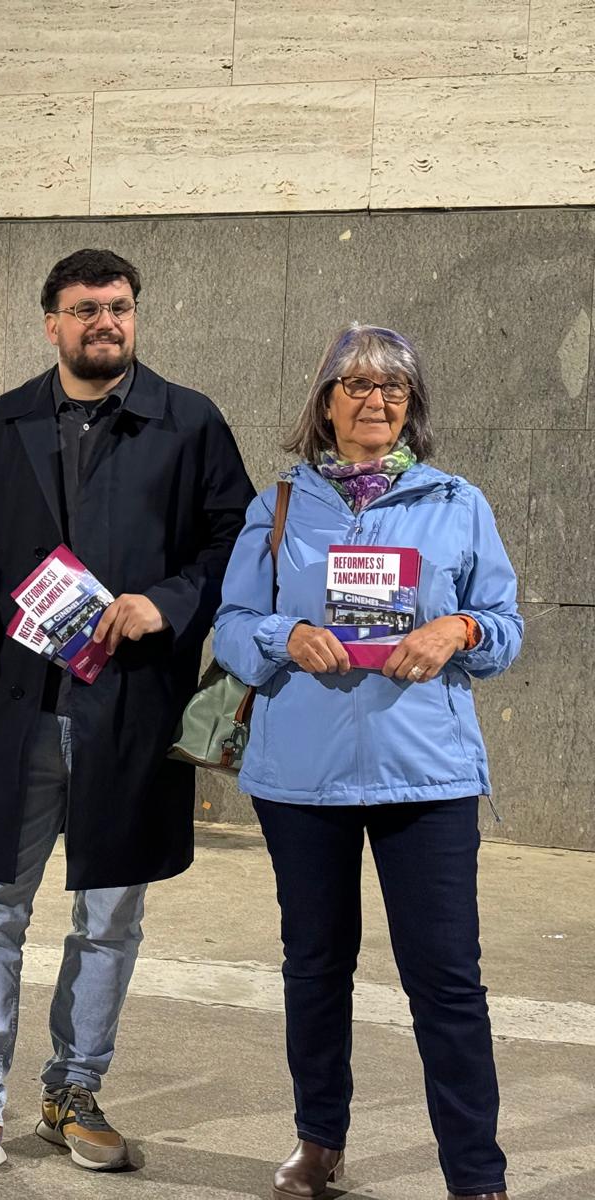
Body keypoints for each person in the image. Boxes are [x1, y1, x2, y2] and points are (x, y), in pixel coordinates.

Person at [0, 249, 254, 1189]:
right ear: (50, 323)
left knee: (109, 918)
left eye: (120, 307)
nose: (105, 321)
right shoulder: (5, 418)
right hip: (13, 704)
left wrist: (169, 602)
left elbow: (237, 541)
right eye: (84, 308)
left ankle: (73, 1091)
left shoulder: (191, 422)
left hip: (129, 708)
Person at [212, 324, 520, 1200]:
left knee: (447, 979)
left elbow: (504, 626)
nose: (375, 400)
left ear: (412, 406)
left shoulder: (459, 502)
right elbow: (233, 627)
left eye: (393, 387)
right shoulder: (277, 505)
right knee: (314, 967)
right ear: (325, 402)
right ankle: (320, 1144)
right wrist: (286, 633)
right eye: (355, 384)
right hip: (301, 779)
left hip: (426, 775)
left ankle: (476, 1174)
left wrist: (456, 628)